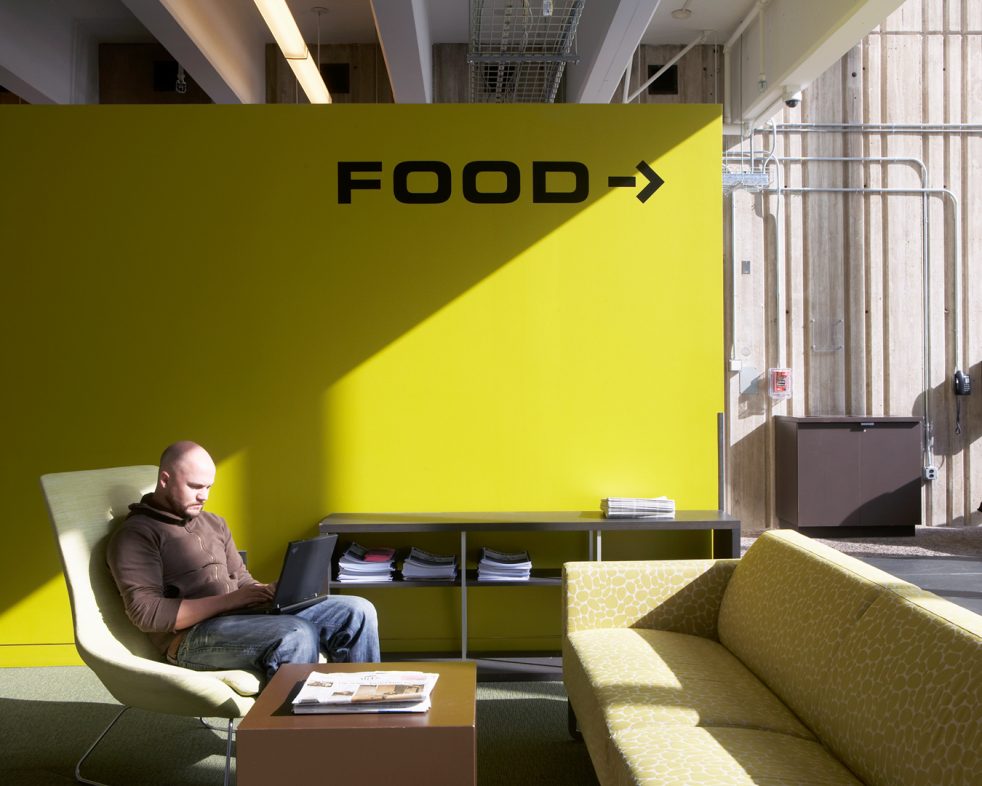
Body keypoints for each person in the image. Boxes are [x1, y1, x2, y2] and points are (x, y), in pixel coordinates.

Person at [107, 441, 380, 683]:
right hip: (190, 638)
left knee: (357, 610)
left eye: (208, 487)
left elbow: (241, 579)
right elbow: (147, 614)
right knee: (296, 633)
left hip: (239, 619)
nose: (204, 496)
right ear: (165, 480)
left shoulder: (214, 523)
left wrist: (266, 592)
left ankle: (360, 716)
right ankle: (295, 737)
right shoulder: (136, 535)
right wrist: (233, 601)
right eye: (194, 487)